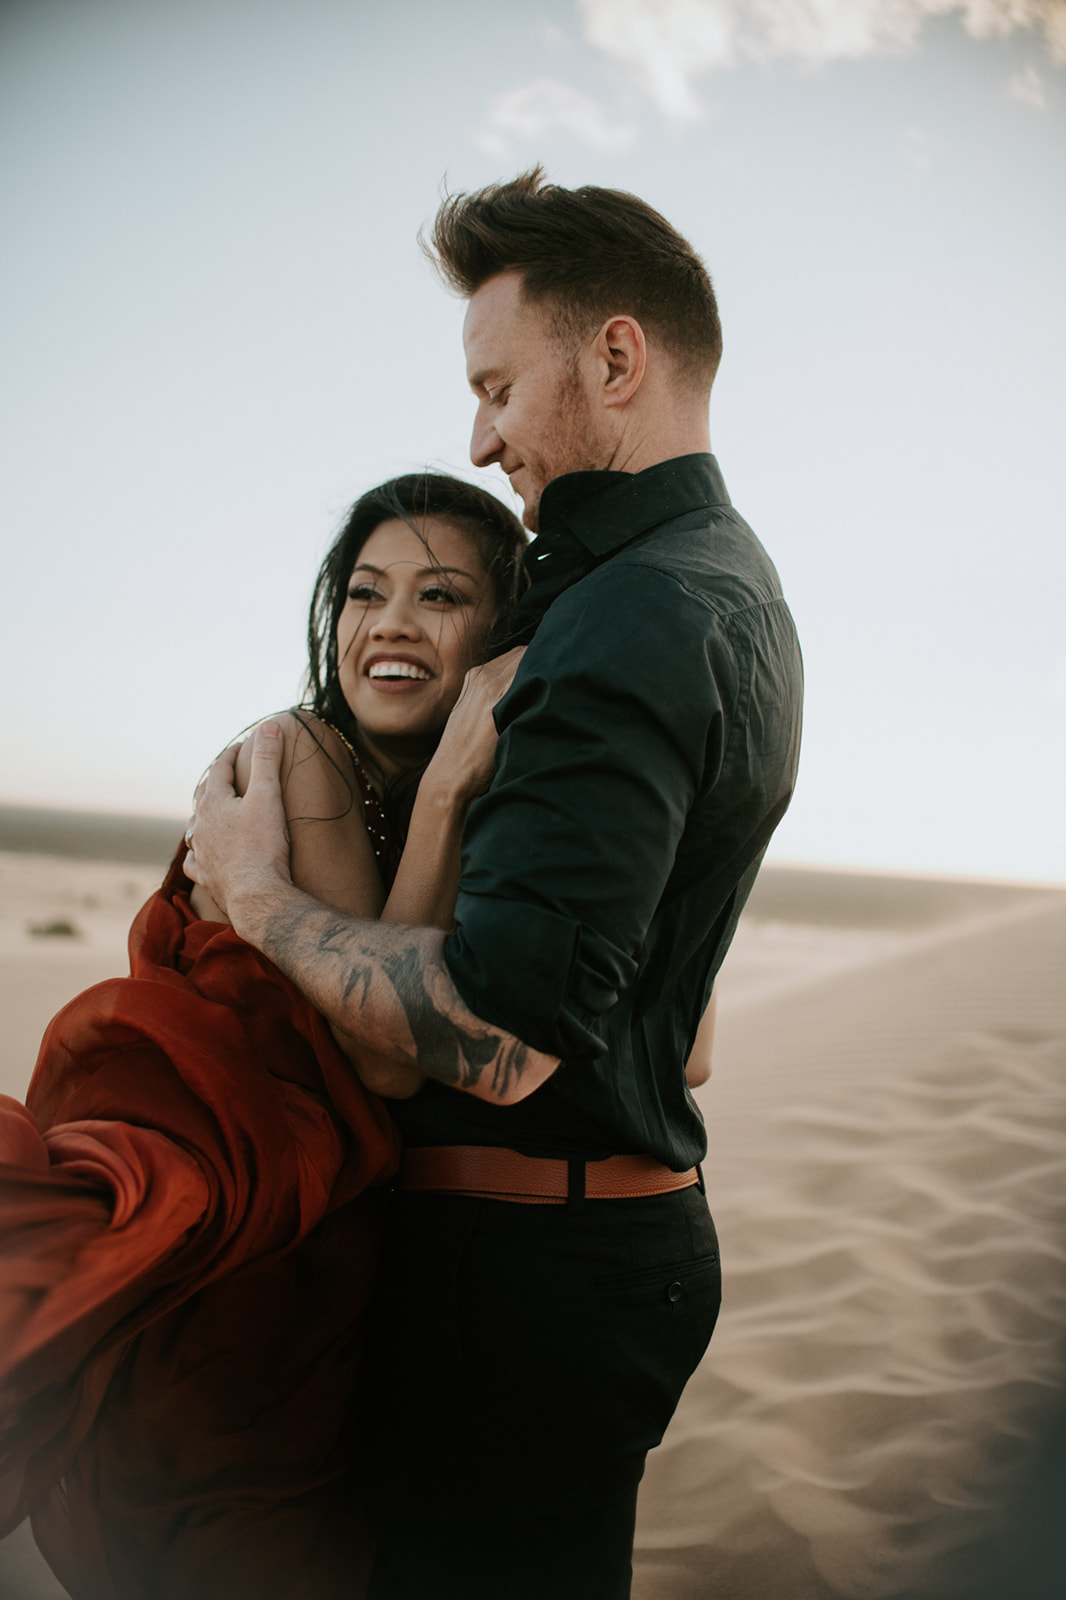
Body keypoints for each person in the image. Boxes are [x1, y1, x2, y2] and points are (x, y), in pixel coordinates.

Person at [186, 168, 804, 1600]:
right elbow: (676, 1013)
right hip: (598, 1254)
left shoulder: (632, 613)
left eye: (496, 388)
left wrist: (259, 891)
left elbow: (507, 1031)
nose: (480, 439)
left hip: (525, 1274)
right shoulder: (733, 586)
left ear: (613, 355)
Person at [0, 472, 526, 1600]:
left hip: (318, 1261)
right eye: (364, 592)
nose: (388, 623)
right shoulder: (301, 756)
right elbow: (388, 1047)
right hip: (232, 1238)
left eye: (439, 597)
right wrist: (445, 799)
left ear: (498, 636)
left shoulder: (457, 791)